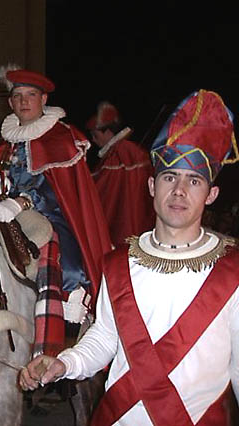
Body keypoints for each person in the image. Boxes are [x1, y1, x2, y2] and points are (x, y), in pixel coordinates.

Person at [20, 89, 239, 425]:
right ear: (152, 186)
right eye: (169, 177)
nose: (179, 190)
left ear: (211, 194)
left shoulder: (233, 271)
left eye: (193, 181)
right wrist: (66, 363)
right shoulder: (119, 263)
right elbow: (106, 336)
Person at [0, 64, 111, 357]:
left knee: (67, 266)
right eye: (17, 96)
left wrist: (22, 202)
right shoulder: (8, 143)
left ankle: (64, 345)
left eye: (31, 95)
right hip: (7, 215)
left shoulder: (60, 137)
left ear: (43, 101)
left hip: (55, 216)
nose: (23, 102)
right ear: (10, 103)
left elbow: (59, 193)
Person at [87, 101, 155, 246]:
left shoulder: (119, 152)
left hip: (124, 221)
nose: (93, 139)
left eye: (95, 134)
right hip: (142, 220)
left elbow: (102, 187)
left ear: (108, 131)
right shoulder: (133, 150)